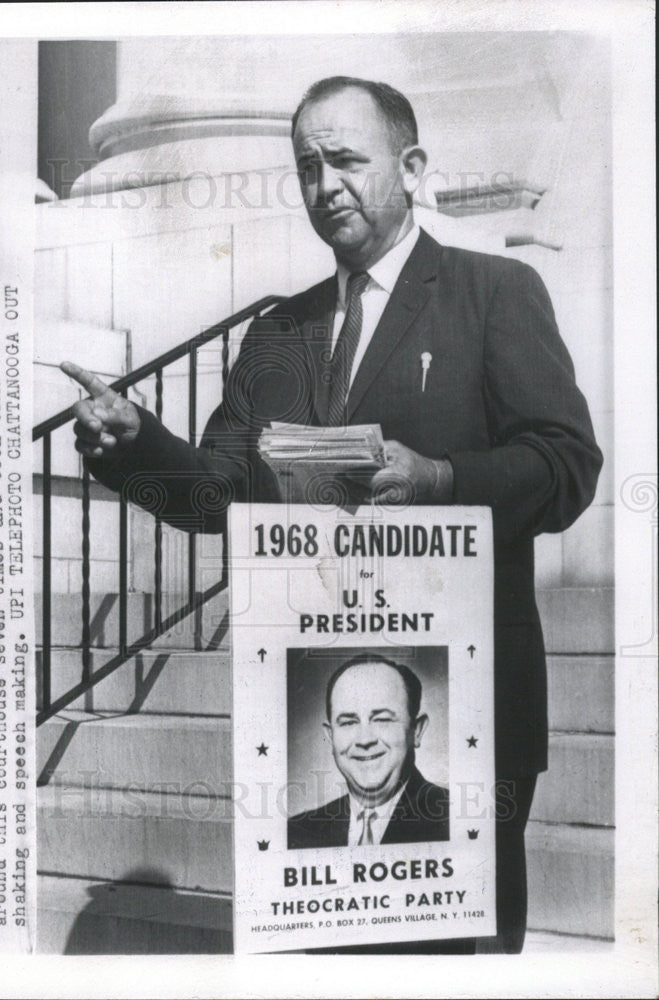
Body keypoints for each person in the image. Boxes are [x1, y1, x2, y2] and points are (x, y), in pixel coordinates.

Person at [61, 76, 602, 952]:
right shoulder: (280, 332)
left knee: (458, 957)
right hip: (308, 707)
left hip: (467, 708)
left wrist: (440, 478)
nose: (325, 185)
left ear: (412, 165)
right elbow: (217, 497)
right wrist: (134, 443)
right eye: (307, 166)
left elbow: (567, 464)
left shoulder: (494, 292)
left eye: (346, 160)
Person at [287, 655, 448, 850]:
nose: (365, 740)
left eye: (382, 720)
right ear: (330, 737)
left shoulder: (453, 819)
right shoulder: (296, 832)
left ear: (416, 731)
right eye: (348, 722)